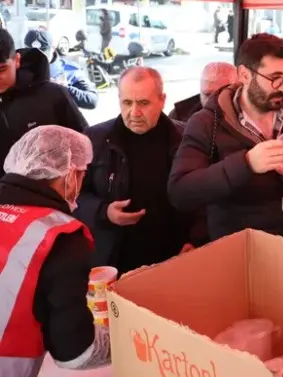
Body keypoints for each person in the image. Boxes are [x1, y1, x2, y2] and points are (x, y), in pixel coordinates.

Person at [168, 33, 283, 241]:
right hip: (240, 246)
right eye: (275, 78)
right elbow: (181, 191)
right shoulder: (207, 123)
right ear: (244, 75)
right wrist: (246, 164)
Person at [0, 125, 111, 377]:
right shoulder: (60, 237)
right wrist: (120, 336)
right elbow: (74, 352)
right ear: (70, 174)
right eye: (82, 174)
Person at [75, 67, 204, 274]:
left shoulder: (187, 140)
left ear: (162, 100)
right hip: (114, 259)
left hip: (174, 255)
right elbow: (73, 196)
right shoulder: (94, 139)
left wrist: (196, 239)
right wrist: (103, 211)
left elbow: (205, 197)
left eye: (143, 103)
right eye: (127, 103)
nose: (134, 112)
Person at [0, 29, 88, 179]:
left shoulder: (53, 96)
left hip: (52, 197)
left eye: (2, 69)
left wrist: (91, 202)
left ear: (17, 60)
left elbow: (86, 150)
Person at [24, 29, 97, 110]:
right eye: (32, 52)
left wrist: (65, 89)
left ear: (53, 48)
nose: (37, 57)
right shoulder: (19, 68)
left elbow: (92, 100)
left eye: (42, 52)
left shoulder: (70, 70)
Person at [169, 62, 237, 124]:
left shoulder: (246, 119)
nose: (213, 102)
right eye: (207, 94)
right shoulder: (179, 116)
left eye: (221, 94)